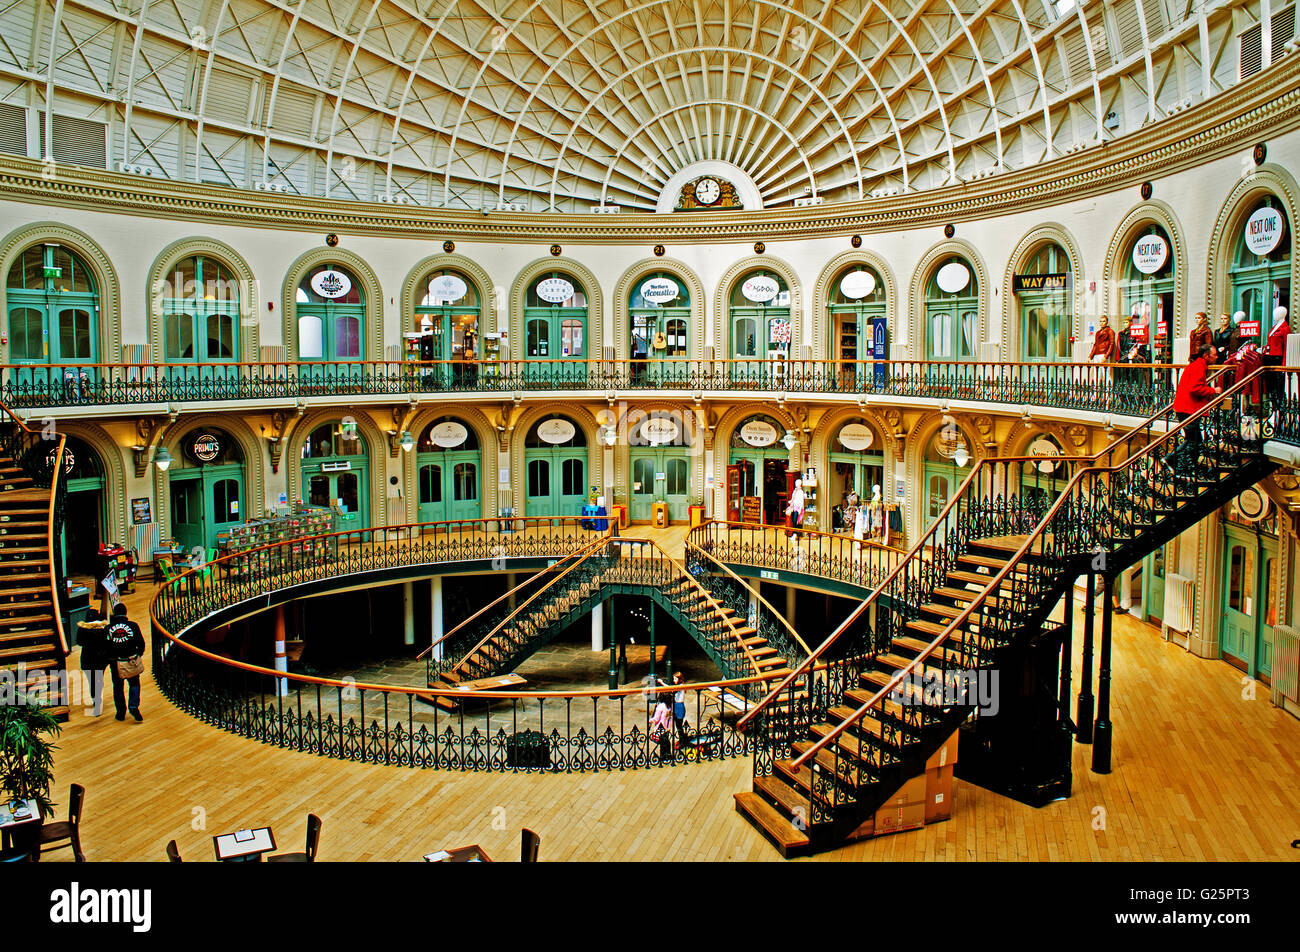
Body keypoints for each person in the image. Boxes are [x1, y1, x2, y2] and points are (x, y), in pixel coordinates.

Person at [1163, 344, 1220, 474]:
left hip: (1185, 408)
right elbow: (1195, 388)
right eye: (1214, 355)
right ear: (1206, 356)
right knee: (1195, 440)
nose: (1216, 357)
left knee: (1192, 439)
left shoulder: (1197, 366)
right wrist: (1213, 390)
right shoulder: (1198, 367)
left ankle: (1177, 462)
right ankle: (1180, 463)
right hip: (1188, 409)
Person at [105, 602, 146, 722]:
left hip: (115, 662)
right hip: (131, 659)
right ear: (125, 613)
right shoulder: (133, 626)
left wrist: (110, 659)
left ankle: (120, 713)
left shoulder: (108, 628)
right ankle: (133, 705)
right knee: (134, 683)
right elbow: (141, 643)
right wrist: (138, 654)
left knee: (118, 687)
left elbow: (105, 646)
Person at [76, 609, 109, 717]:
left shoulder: (82, 629)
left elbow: (79, 642)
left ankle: (96, 700)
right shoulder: (103, 629)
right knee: (99, 680)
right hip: (101, 659)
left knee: (92, 681)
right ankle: (98, 699)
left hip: (87, 659)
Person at [1265, 305, 1289, 408]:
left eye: (1277, 313)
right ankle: (1272, 406)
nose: (1275, 315)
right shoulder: (1274, 327)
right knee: (1270, 384)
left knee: (1277, 384)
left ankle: (1278, 407)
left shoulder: (1285, 328)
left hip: (1277, 359)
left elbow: (1286, 347)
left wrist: (1284, 364)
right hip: (1269, 358)